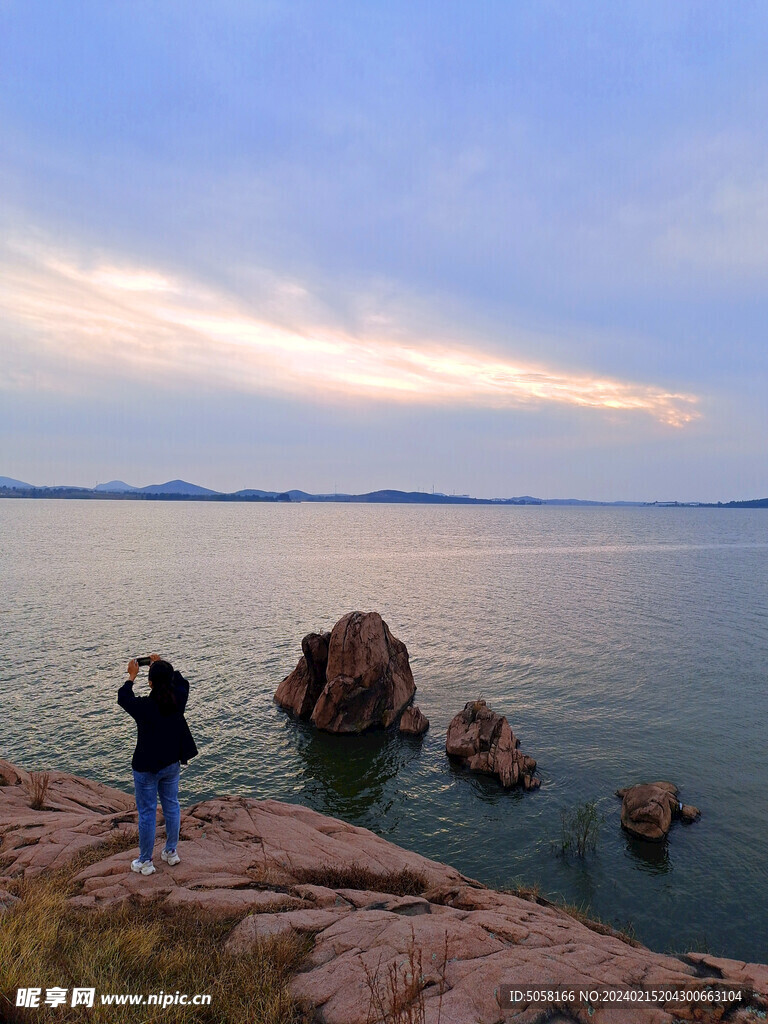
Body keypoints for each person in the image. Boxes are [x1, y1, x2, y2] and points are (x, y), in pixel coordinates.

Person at [118, 654, 198, 876]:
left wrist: (131, 676)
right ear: (169, 679)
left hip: (145, 768)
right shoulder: (179, 698)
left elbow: (123, 697)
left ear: (150, 682)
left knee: (147, 813)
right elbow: (182, 682)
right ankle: (171, 852)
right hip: (172, 763)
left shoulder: (144, 706)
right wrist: (161, 664)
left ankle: (145, 861)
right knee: (171, 805)